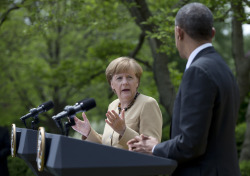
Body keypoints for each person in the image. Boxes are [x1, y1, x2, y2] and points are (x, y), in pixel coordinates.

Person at [127, 2, 241, 176]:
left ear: (178, 32)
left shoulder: (198, 71)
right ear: (212, 33)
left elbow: (191, 144)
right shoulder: (223, 67)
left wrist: (155, 148)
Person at [72, 56, 163, 150]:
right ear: (112, 84)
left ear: (137, 82)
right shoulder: (113, 105)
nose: (125, 82)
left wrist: (124, 131)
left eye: (129, 77)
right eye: (119, 78)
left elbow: (151, 148)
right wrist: (88, 132)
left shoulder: (148, 104)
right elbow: (109, 147)